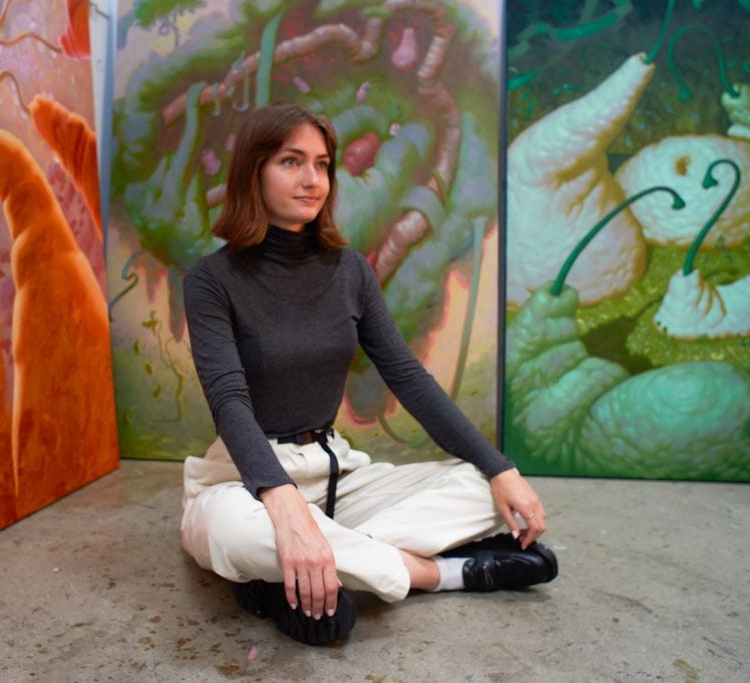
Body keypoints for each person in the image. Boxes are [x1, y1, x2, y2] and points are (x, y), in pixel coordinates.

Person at [181, 103, 557, 646]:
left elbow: (408, 377)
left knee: (483, 490)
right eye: (291, 161)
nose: (313, 179)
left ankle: (296, 573)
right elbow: (228, 398)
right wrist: (282, 507)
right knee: (233, 534)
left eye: (323, 163)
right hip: (245, 480)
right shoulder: (213, 279)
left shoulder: (350, 270)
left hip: (336, 473)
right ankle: (439, 573)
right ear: (253, 171)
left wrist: (500, 469)